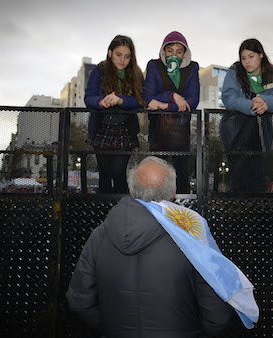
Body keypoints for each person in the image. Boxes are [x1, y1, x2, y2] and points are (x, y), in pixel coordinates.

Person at [66, 156, 234, 337]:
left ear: (132, 189)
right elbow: (217, 314)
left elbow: (79, 301)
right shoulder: (191, 235)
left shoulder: (99, 235)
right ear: (174, 191)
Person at [220, 38, 273, 193]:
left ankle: (255, 210)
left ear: (261, 55)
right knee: (238, 175)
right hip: (236, 130)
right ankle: (238, 209)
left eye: (251, 57)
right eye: (243, 58)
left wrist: (265, 101)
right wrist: (251, 105)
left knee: (258, 173)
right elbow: (228, 98)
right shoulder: (234, 72)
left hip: (262, 132)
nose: (246, 62)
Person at [84, 35, 144, 194]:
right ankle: (103, 215)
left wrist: (120, 100)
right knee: (104, 174)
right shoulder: (99, 70)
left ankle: (122, 214)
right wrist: (101, 102)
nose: (122, 60)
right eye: (118, 55)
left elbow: (140, 100)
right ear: (110, 53)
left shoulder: (136, 73)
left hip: (125, 129)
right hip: (101, 127)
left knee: (118, 173)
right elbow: (88, 97)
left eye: (127, 56)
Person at [143, 31, 199, 194]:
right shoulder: (154, 66)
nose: (174, 54)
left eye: (179, 51)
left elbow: (191, 101)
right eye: (170, 50)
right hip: (157, 127)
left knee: (181, 173)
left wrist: (163, 105)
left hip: (181, 129)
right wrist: (173, 95)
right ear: (163, 51)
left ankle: (181, 212)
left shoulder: (192, 68)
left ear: (184, 54)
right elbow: (148, 97)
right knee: (156, 172)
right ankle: (155, 209)